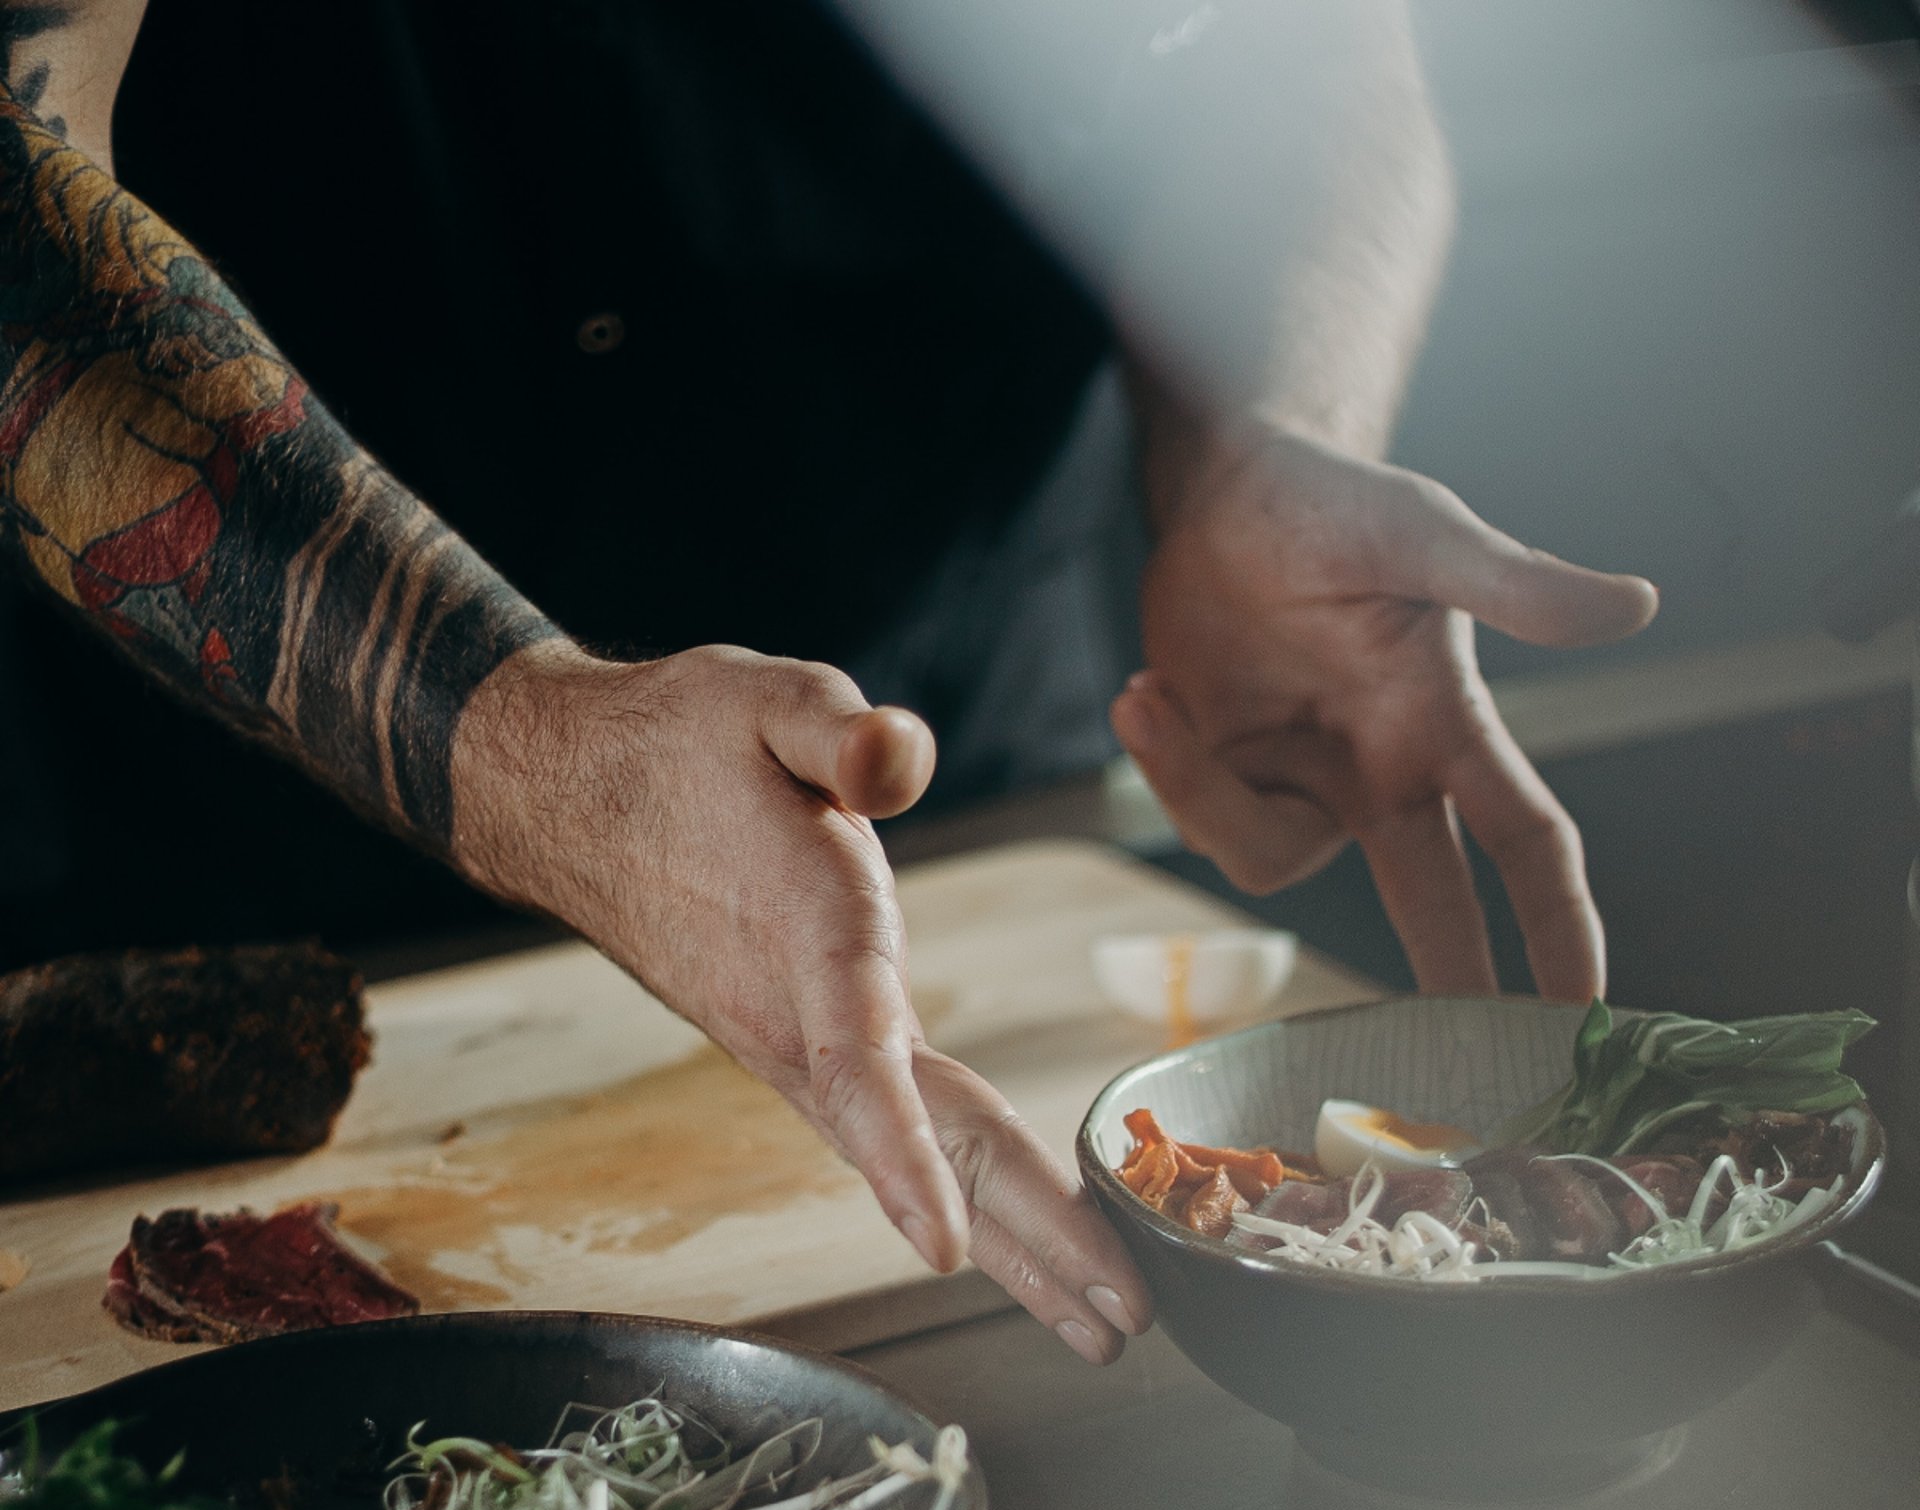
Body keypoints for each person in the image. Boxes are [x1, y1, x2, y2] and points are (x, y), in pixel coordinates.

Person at [0, 0, 1656, 1366]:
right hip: (218, 887)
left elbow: (1290, 51)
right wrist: (535, 754)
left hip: (949, 805)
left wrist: (1252, 436)